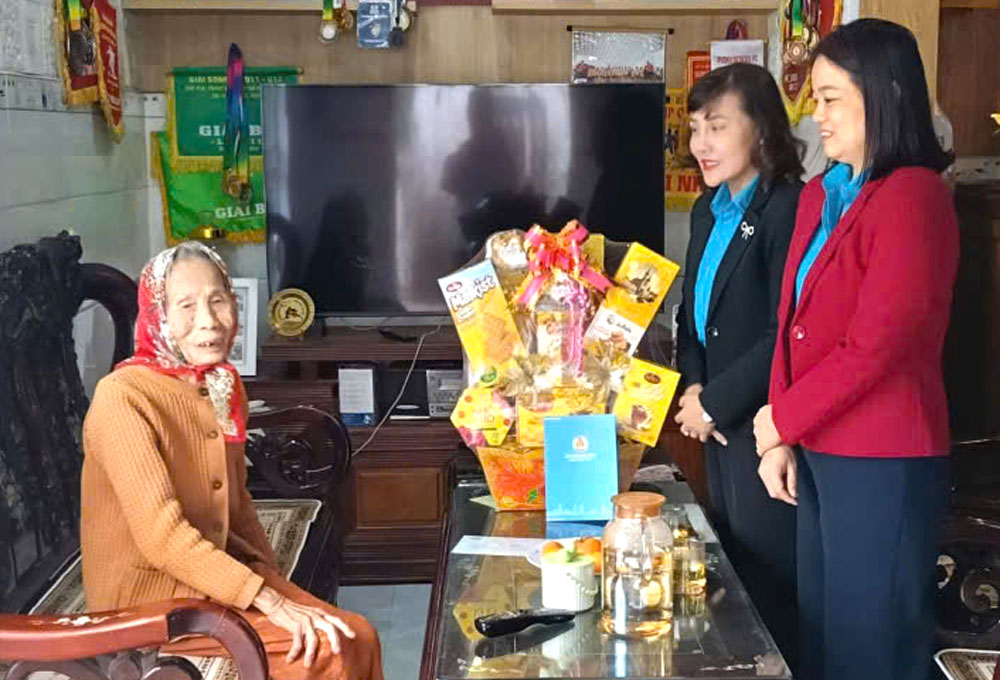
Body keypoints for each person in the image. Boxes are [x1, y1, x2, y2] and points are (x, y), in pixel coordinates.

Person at [753, 19, 957, 680]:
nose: (819, 116)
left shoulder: (914, 196)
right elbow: (792, 324)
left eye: (832, 97)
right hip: (819, 446)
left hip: (883, 456)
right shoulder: (821, 193)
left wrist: (783, 419)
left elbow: (876, 347)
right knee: (823, 636)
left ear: (886, 92)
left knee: (872, 648)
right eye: (815, 98)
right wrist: (785, 432)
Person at [80, 242, 384, 680]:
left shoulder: (221, 385)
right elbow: (162, 537)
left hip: (208, 574)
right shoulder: (123, 398)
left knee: (358, 635)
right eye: (186, 305)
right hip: (145, 600)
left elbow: (236, 500)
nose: (209, 321)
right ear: (157, 316)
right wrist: (268, 600)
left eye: (218, 301)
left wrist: (274, 579)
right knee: (329, 653)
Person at [673, 61, 804, 666]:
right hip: (715, 420)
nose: (701, 143)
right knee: (731, 567)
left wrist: (715, 401)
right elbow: (690, 313)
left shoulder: (789, 208)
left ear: (762, 130)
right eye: (696, 127)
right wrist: (694, 386)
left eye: (717, 126)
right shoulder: (709, 208)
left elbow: (787, 332)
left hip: (763, 425)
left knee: (769, 584)